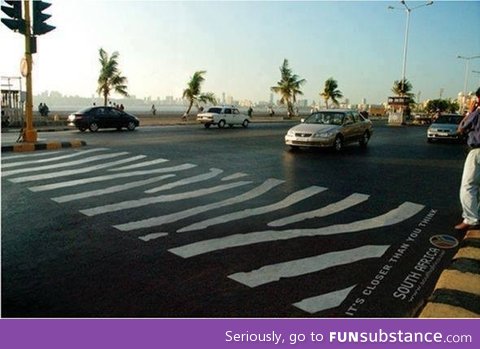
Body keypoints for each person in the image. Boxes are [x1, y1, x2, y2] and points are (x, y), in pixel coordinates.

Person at [455, 87, 480, 231]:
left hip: (477, 152)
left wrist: (470, 111)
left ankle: (471, 218)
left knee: (469, 186)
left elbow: (461, 128)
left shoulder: (477, 113)